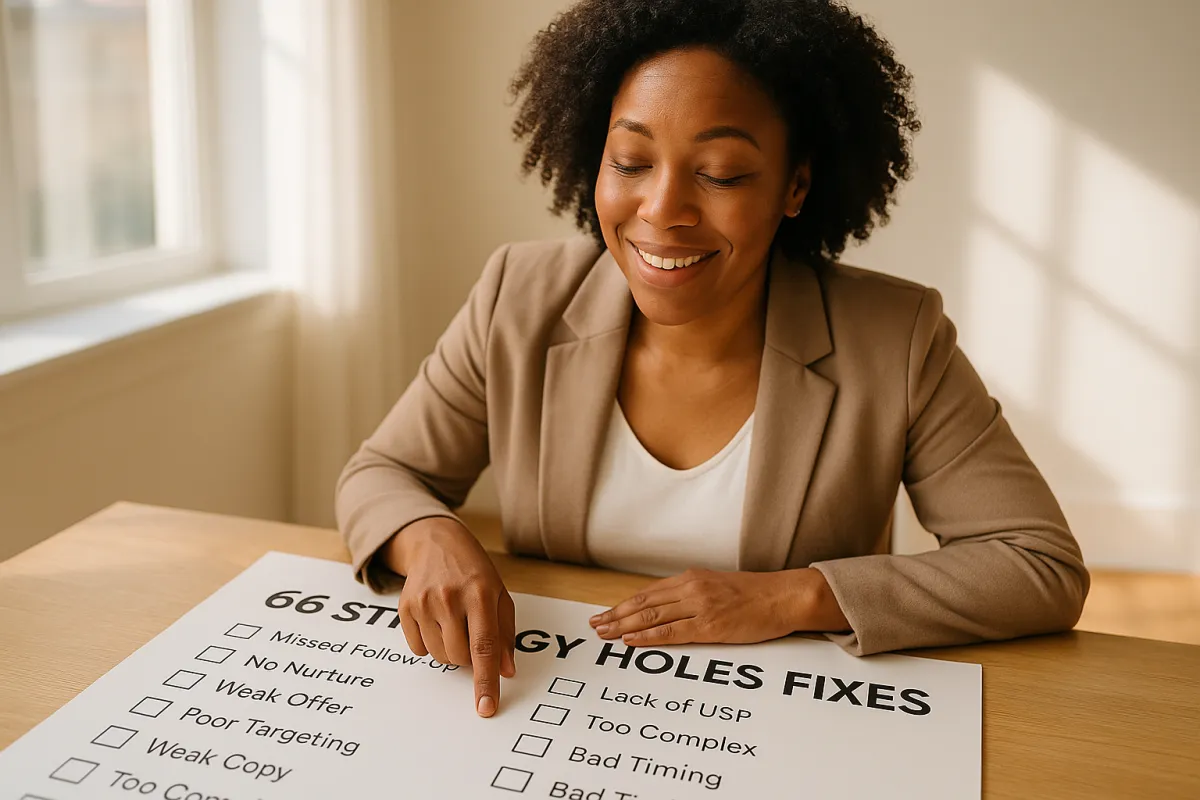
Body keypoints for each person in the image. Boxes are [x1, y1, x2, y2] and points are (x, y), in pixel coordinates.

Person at [336, 0, 1089, 719]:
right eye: (630, 162)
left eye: (722, 173)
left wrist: (788, 597)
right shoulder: (521, 295)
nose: (663, 210)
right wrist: (433, 538)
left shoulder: (895, 335)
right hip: (554, 704)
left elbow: (1037, 565)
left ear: (795, 185)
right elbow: (382, 473)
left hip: (777, 727)